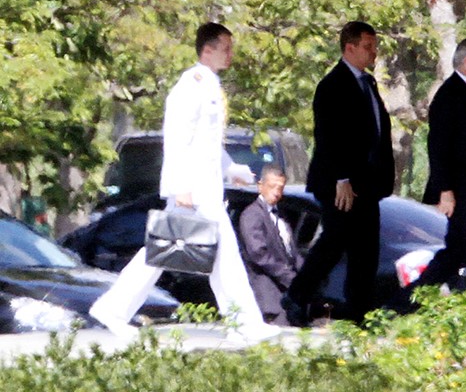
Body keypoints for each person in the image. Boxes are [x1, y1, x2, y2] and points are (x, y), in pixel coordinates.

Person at [90, 22, 280, 343]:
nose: (231, 54)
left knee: (169, 252)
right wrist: (179, 188)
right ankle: (244, 325)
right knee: (173, 251)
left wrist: (233, 170)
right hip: (192, 190)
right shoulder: (190, 85)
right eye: (226, 48)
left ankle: (113, 308)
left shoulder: (208, 85)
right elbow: (177, 138)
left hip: (205, 188)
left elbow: (208, 143)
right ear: (208, 49)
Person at [282, 21, 395, 326]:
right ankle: (297, 294)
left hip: (367, 182)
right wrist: (341, 178)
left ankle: (360, 314)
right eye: (368, 46)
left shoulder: (368, 84)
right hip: (339, 181)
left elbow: (376, 132)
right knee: (336, 240)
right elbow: (331, 135)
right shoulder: (333, 85)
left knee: (366, 249)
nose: (373, 52)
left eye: (374, 46)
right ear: (350, 48)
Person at [400, 37, 466, 307]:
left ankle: (399, 306)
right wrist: (445, 190)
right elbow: (438, 147)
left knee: (453, 255)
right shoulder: (451, 94)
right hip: (460, 191)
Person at [238, 164, 303, 326]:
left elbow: (292, 253)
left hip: (288, 297)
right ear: (261, 186)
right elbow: (259, 254)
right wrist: (290, 278)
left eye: (280, 188)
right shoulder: (252, 215)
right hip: (269, 298)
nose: (276, 192)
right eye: (272, 186)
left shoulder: (281, 216)